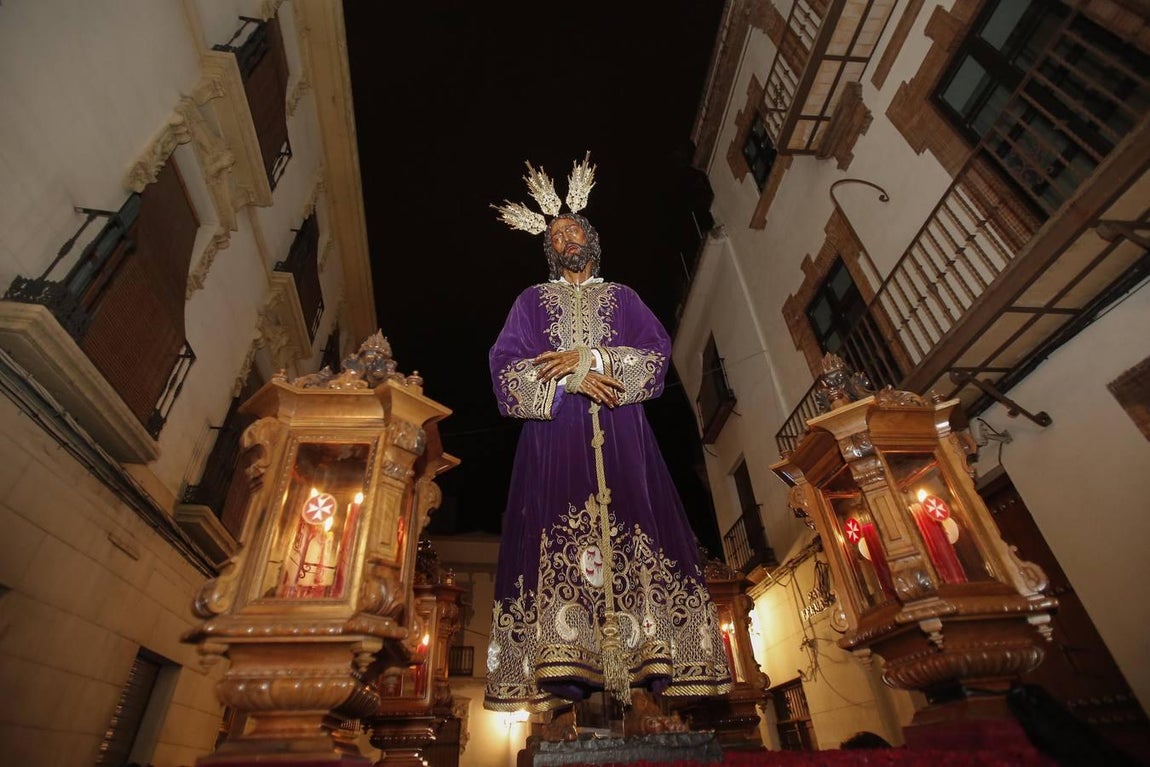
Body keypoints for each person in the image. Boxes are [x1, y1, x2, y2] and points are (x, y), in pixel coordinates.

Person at [483, 154, 731, 713]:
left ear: (592, 239)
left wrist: (593, 356)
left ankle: (645, 681)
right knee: (557, 541)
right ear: (550, 251)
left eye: (574, 228)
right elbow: (505, 370)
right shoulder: (530, 303)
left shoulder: (624, 298)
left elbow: (657, 355)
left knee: (636, 535)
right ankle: (562, 688)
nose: (567, 236)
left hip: (624, 439)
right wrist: (572, 377)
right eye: (557, 234)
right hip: (554, 444)